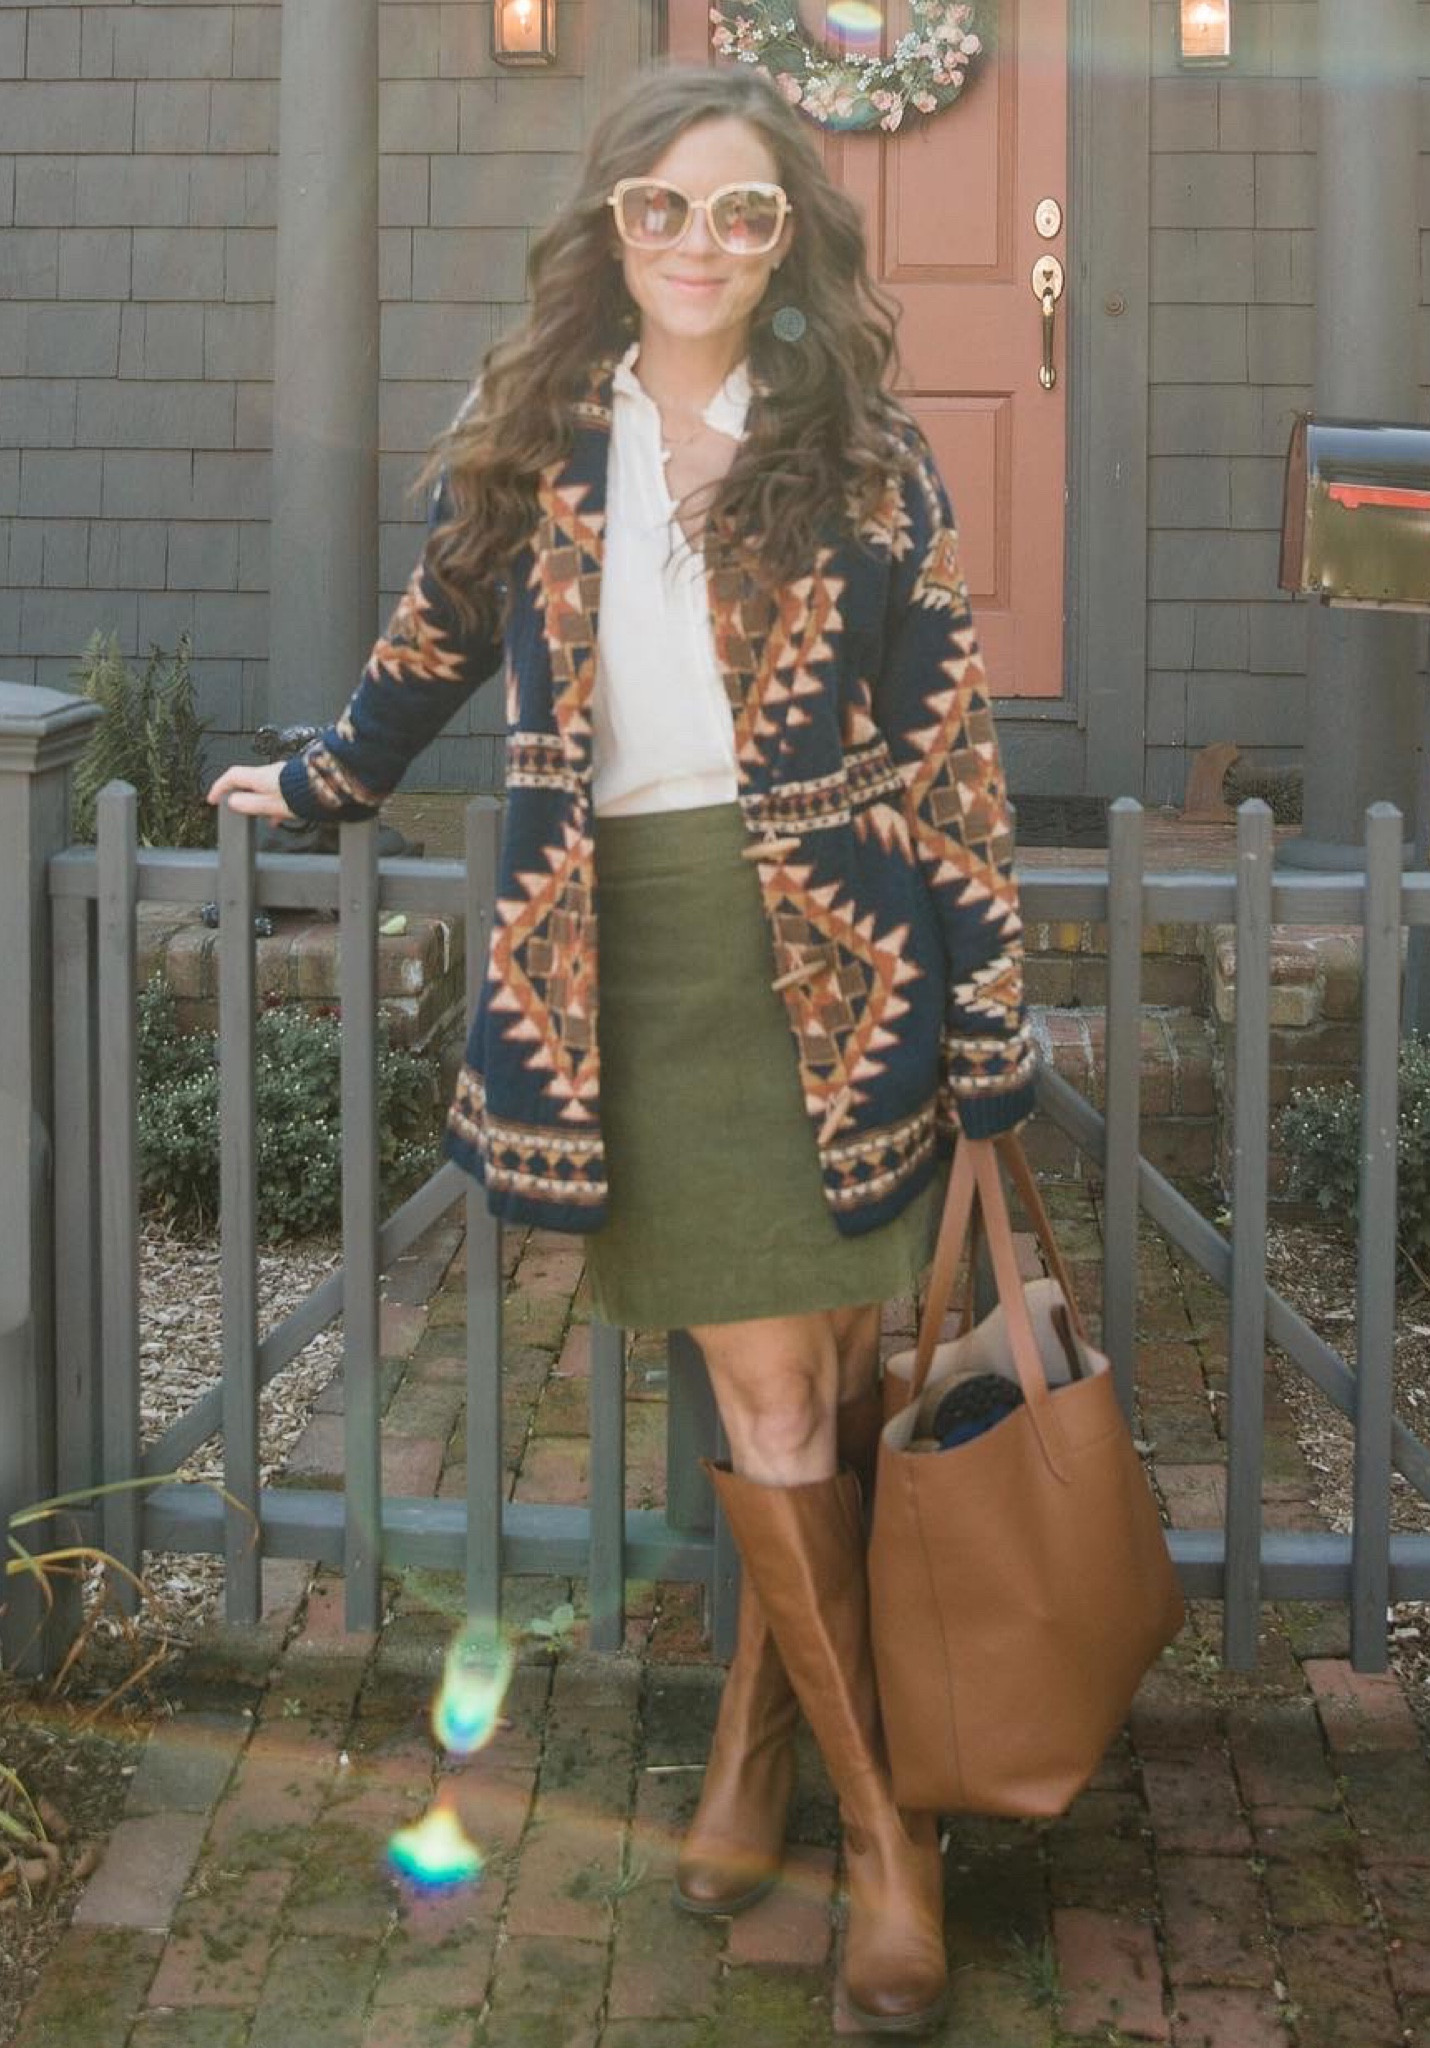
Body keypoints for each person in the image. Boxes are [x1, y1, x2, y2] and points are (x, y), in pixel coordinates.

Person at [209, 63, 1034, 2036]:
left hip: (842, 971)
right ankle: (889, 1852)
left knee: (821, 1384)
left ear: (789, 245)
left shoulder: (864, 460)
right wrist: (324, 778)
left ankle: (756, 1758)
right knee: (770, 1392)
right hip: (627, 968)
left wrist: (987, 1026)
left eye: (743, 215)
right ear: (608, 226)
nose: (698, 245)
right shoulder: (531, 447)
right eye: (662, 208)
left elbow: (952, 752)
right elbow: (424, 644)